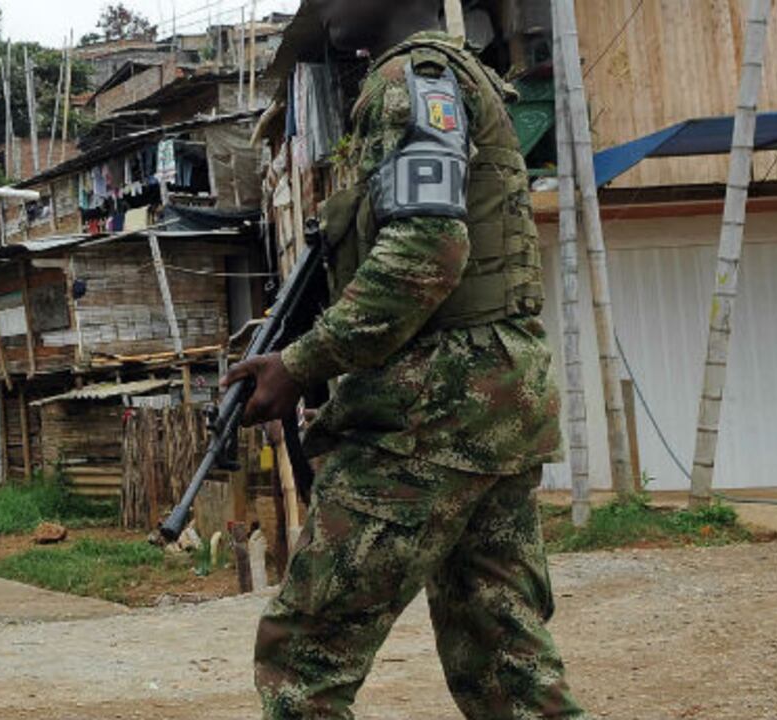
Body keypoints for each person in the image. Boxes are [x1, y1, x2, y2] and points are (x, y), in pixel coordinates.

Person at [220, 2, 588, 718]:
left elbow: (427, 251)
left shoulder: (411, 81)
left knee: (304, 656)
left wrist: (302, 362)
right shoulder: (446, 79)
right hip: (491, 404)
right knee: (504, 664)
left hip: (432, 410)